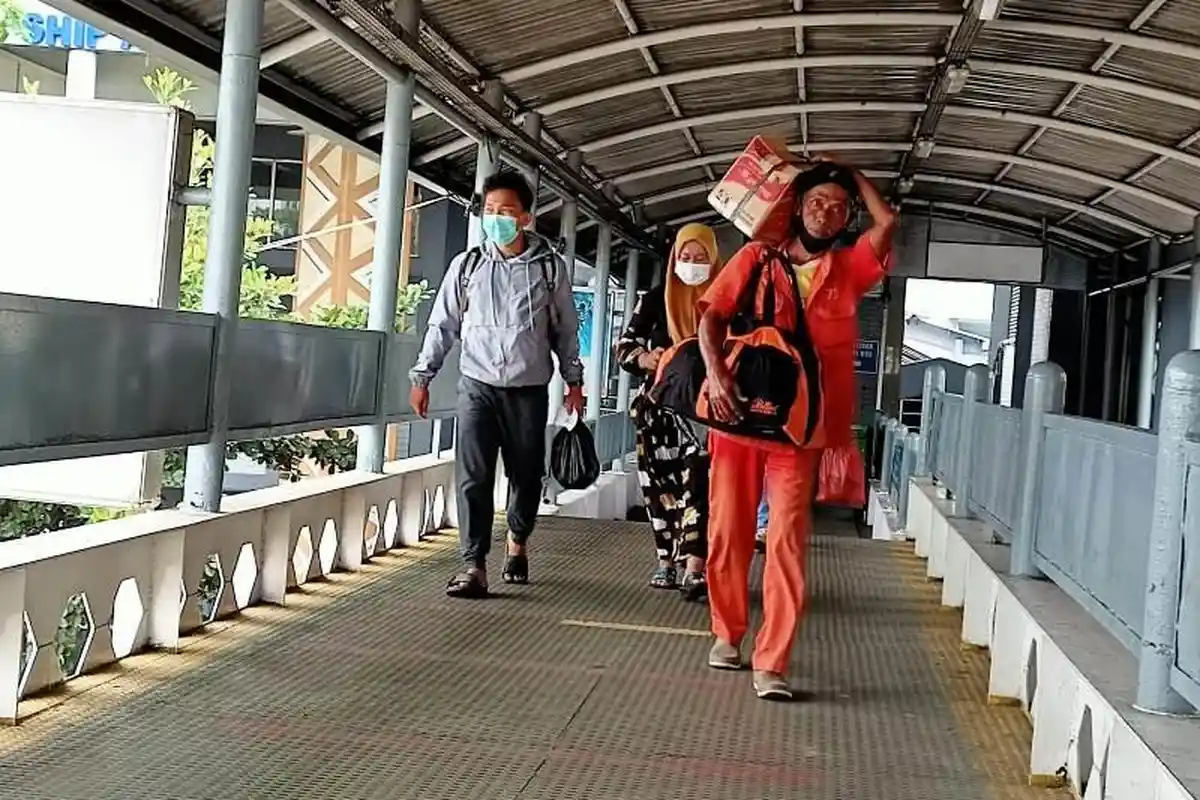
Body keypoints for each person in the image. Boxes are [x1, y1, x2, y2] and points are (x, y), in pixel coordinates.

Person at [699, 156, 896, 699]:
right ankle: (727, 631)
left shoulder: (850, 270)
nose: (827, 213)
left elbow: (886, 224)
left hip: (803, 427)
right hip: (739, 416)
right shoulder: (756, 258)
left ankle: (773, 661)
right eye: (816, 202)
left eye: (837, 208)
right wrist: (717, 375)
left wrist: (852, 177)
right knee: (728, 531)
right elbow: (711, 316)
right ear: (797, 207)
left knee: (786, 539)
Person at [409, 170, 585, 599]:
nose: (496, 219)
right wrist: (423, 375)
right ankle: (473, 565)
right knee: (474, 476)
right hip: (477, 386)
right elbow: (443, 324)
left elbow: (565, 330)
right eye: (489, 211)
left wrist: (573, 381)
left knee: (526, 475)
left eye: (505, 212)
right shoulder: (467, 266)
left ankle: (518, 541)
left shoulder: (548, 268)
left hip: (528, 389)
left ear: (525, 217)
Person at [615, 223, 723, 602]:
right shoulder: (656, 299)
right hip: (657, 414)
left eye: (701, 258)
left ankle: (695, 564)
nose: (692, 265)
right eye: (686, 257)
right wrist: (646, 357)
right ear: (675, 259)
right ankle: (666, 560)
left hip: (705, 413)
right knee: (660, 488)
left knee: (700, 484)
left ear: (715, 260)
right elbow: (624, 345)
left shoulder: (726, 301)